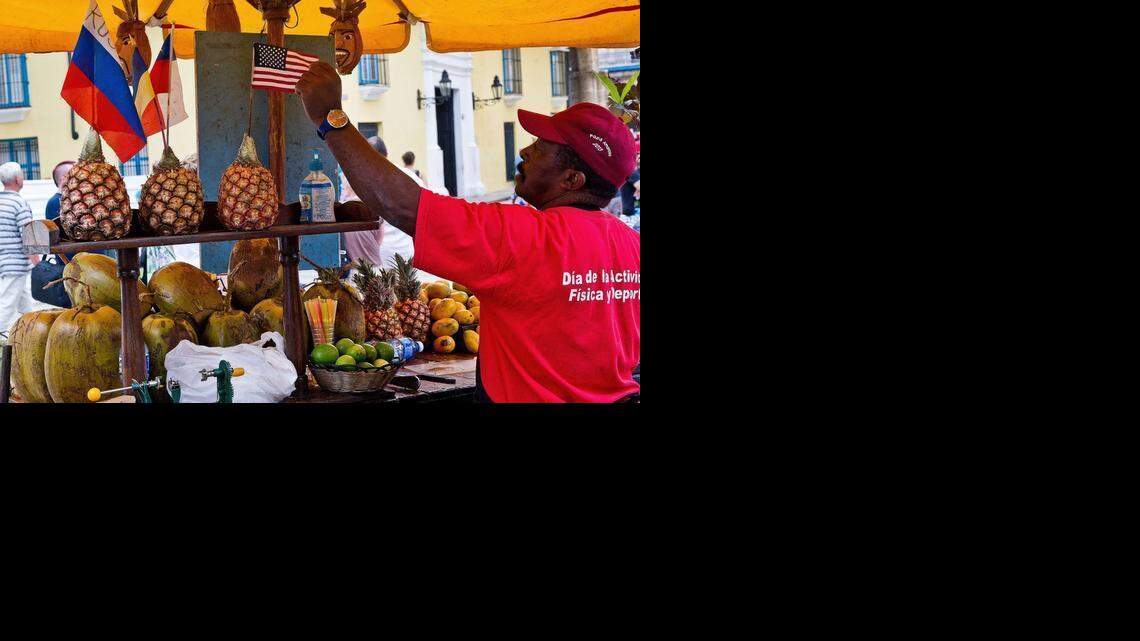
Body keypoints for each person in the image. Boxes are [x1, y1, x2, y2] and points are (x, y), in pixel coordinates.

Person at [298, 62, 640, 402]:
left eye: (540, 146)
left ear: (571, 180)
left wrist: (331, 119)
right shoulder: (632, 245)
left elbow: (401, 205)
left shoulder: (522, 235)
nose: (524, 151)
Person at [340, 136, 433, 278]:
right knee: (407, 298)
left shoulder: (363, 181)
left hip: (380, 256)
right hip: (406, 252)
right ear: (386, 153)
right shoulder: (409, 176)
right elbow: (428, 208)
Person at [1, 162, 35, 334]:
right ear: (17, 179)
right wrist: (38, 263)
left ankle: (32, 330)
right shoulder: (19, 203)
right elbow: (29, 235)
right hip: (15, 262)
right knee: (6, 304)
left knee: (25, 302)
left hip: (5, 261)